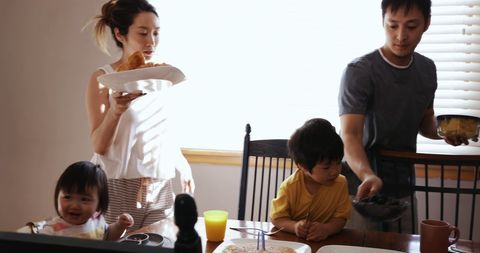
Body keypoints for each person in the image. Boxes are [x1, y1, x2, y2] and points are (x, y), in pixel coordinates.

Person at [338, 0, 472, 232]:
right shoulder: (360, 71)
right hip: (359, 186)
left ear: (427, 23)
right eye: (393, 25)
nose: (401, 35)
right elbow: (350, 136)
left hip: (403, 186)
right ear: (383, 22)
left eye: (411, 26)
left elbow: (425, 122)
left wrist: (446, 132)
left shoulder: (427, 69)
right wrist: (368, 175)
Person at [86, 0, 195, 230]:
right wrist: (116, 110)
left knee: (161, 245)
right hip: (116, 185)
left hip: (159, 184)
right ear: (120, 34)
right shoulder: (104, 78)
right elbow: (99, 146)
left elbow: (163, 131)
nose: (151, 41)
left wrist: (182, 164)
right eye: (143, 33)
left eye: (156, 33)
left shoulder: (164, 76)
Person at [270, 118, 352, 241]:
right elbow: (277, 218)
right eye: (326, 167)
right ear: (302, 166)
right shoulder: (290, 186)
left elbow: (341, 218)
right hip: (294, 243)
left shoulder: (341, 183)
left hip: (327, 243)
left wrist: (327, 229)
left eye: (338, 163)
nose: (335, 171)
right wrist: (295, 226)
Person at [34, 161, 133, 240]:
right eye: (68, 197)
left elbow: (108, 236)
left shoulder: (97, 221)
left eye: (84, 199)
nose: (74, 206)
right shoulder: (52, 231)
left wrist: (119, 226)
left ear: (99, 204)